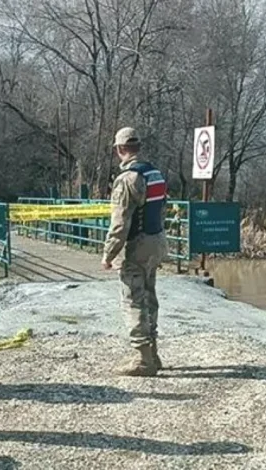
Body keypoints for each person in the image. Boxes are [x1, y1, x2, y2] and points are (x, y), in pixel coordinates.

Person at [102, 127, 168, 377]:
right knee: (150, 296)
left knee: (133, 299)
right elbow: (162, 207)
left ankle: (143, 359)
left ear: (120, 150)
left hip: (137, 245)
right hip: (157, 240)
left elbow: (120, 224)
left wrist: (109, 254)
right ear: (138, 148)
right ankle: (154, 353)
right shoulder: (155, 174)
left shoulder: (128, 179)